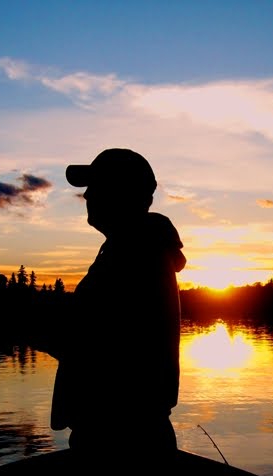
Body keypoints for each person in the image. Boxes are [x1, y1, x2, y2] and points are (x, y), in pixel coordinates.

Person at [49, 148, 186, 460]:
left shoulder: (134, 255)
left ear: (121, 194)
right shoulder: (134, 247)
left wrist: (24, 324)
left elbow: (92, 341)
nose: (87, 195)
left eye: (95, 186)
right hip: (129, 430)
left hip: (119, 435)